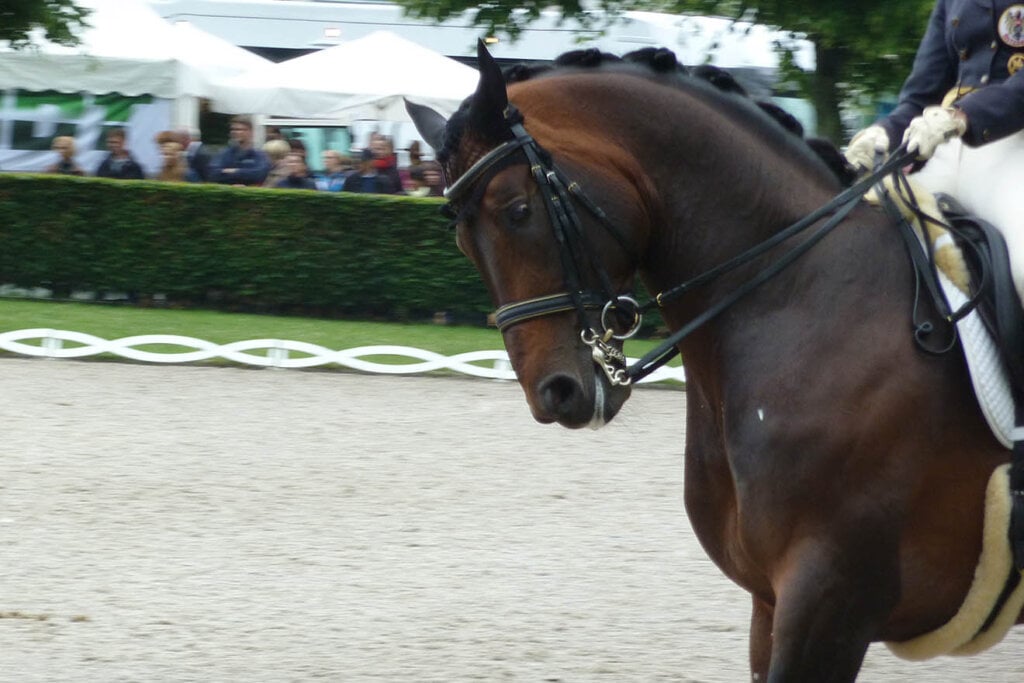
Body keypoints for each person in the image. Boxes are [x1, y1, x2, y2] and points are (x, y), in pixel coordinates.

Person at [845, 0, 1024, 302]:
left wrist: (963, 116)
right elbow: (921, 95)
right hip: (947, 144)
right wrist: (884, 133)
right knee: (863, 234)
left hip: (1012, 143)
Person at [210, 115, 270, 186]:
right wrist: (245, 173)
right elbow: (213, 174)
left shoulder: (259, 155)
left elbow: (259, 174)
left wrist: (234, 171)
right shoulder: (224, 153)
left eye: (239, 129)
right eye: (233, 129)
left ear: (250, 132)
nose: (234, 132)